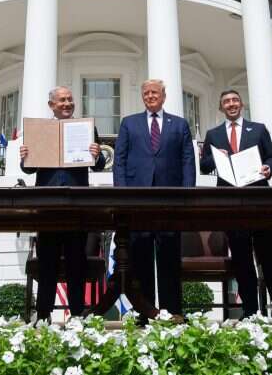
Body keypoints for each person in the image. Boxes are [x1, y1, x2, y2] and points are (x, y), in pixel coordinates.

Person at [199, 89, 272, 322]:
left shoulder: (258, 129)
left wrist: (268, 168)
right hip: (231, 204)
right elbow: (204, 166)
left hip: (259, 201)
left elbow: (271, 158)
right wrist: (215, 157)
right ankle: (251, 312)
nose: (231, 104)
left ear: (241, 104)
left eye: (235, 100)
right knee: (242, 259)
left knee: (269, 257)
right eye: (226, 101)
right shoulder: (214, 134)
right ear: (221, 107)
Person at [18, 86, 107, 321]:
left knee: (77, 261)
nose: (67, 103)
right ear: (52, 105)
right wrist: (25, 157)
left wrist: (97, 154)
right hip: (48, 206)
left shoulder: (86, 128)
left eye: (70, 99)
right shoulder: (40, 130)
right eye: (62, 100)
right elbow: (28, 169)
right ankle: (43, 314)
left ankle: (77, 314)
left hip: (76, 205)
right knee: (47, 261)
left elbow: (98, 165)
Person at [113, 79, 196, 318]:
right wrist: (122, 194)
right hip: (137, 201)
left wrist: (187, 194)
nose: (150, 96)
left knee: (169, 256)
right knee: (140, 258)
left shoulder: (179, 124)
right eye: (146, 93)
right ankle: (145, 312)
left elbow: (187, 161)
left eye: (155, 92)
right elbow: (119, 160)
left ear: (163, 96)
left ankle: (173, 313)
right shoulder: (129, 123)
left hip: (170, 200)